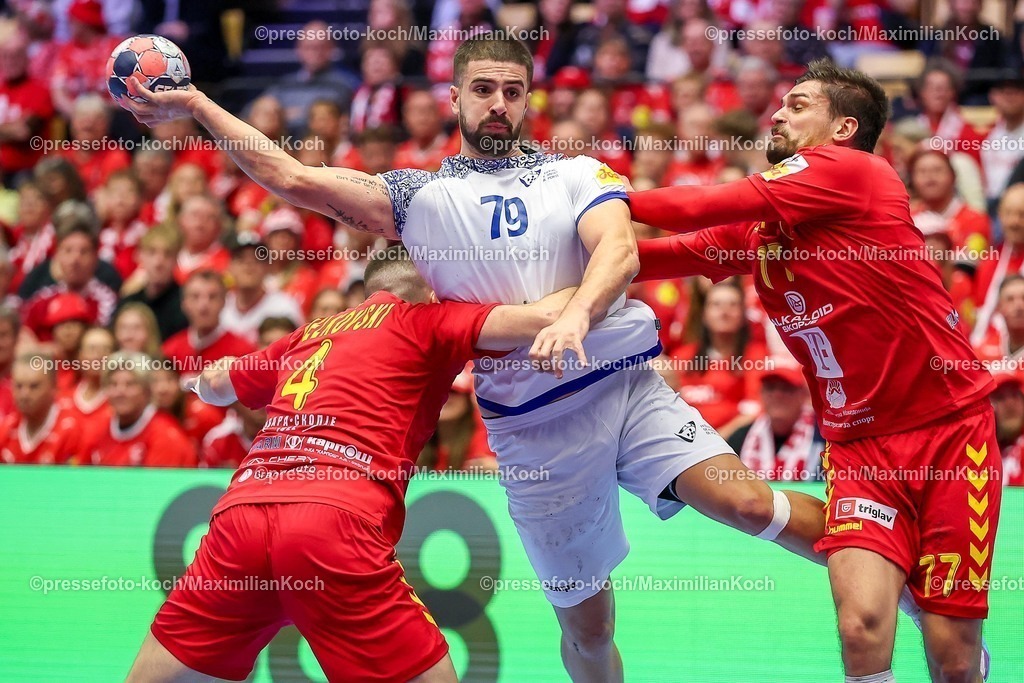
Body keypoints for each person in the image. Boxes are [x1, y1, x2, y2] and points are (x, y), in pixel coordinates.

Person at [118, 38, 842, 683]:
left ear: (530, 100)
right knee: (589, 631)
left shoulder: (579, 172)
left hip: (624, 385)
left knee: (749, 502)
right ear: (455, 97)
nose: (499, 103)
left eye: (513, 91)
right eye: (484, 89)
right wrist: (198, 105)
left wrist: (576, 317)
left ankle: (888, 577)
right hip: (536, 432)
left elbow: (619, 252)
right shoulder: (418, 197)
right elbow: (293, 178)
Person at [628, 59, 999, 683]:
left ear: (844, 128)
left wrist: (597, 193)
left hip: (949, 433)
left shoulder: (858, 172)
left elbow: (700, 205)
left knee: (954, 661)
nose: (778, 113)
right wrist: (550, 250)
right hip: (858, 446)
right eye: (781, 104)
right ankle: (904, 589)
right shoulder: (766, 229)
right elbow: (656, 256)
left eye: (798, 105)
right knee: (860, 628)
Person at [125, 245, 583, 682]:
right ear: (430, 290)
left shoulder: (309, 333)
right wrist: (600, 275)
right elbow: (547, 317)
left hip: (239, 518)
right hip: (333, 522)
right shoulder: (426, 319)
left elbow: (216, 382)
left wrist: (202, 383)